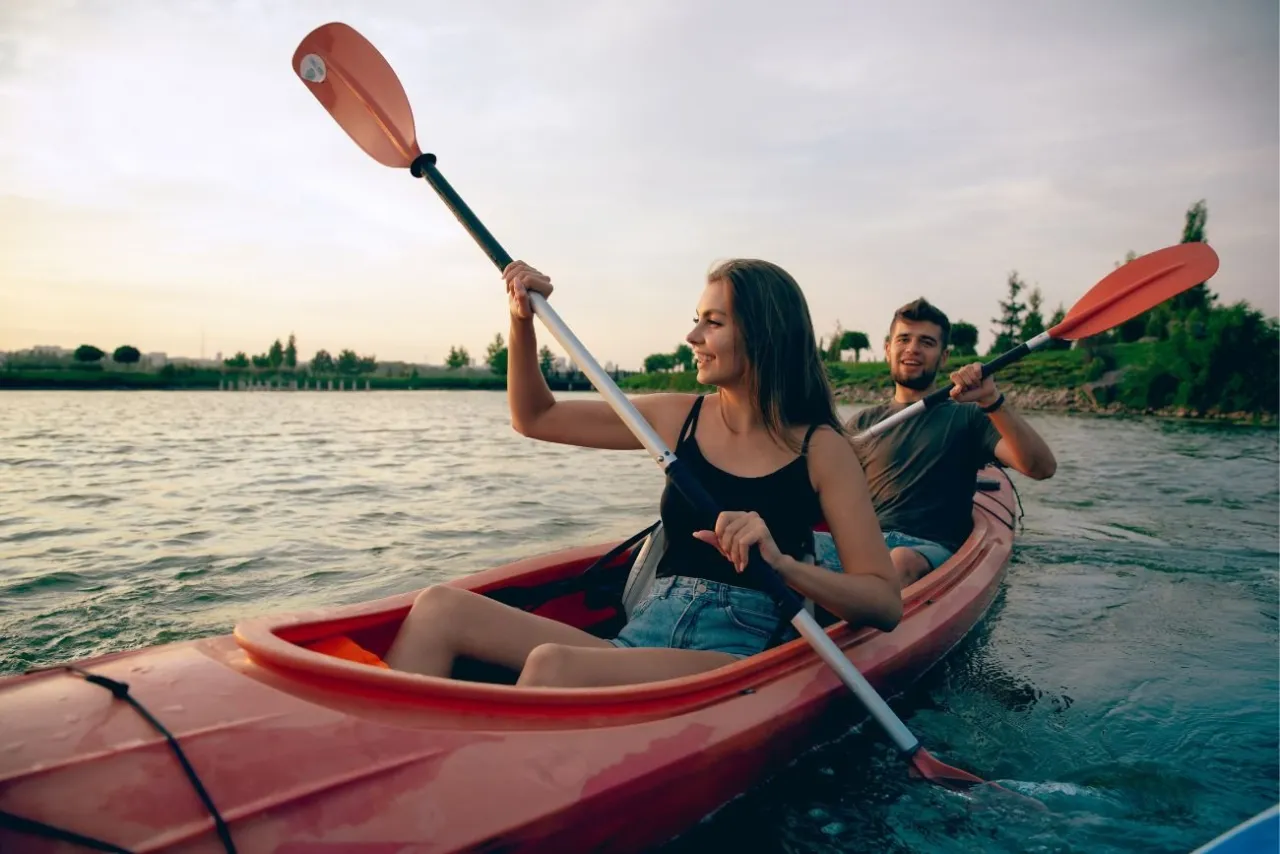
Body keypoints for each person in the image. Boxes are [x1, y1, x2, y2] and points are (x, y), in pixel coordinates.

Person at [384, 258, 901, 687]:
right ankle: (387, 782)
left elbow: (882, 601)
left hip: (737, 659)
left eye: (713, 323)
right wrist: (522, 321)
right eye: (697, 319)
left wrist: (781, 564)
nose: (692, 335)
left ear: (765, 335)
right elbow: (535, 418)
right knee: (438, 609)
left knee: (552, 667)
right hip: (641, 636)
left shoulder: (823, 449)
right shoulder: (678, 417)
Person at [814, 297, 1057, 588]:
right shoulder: (862, 424)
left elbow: (1041, 467)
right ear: (888, 348)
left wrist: (992, 401)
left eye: (926, 342)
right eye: (904, 339)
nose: (913, 348)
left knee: (901, 560)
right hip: (865, 547)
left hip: (927, 550)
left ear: (943, 357)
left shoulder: (969, 417)